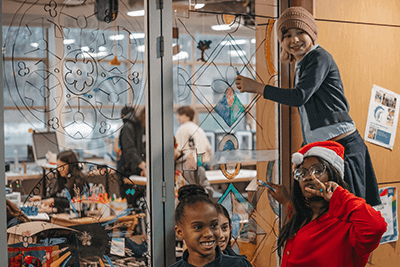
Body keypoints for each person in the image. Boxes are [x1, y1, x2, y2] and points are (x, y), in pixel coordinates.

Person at [235, 6, 381, 206]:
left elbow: (298, 97)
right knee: (326, 213)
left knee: (350, 214)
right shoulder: (302, 63)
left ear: (312, 34)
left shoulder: (319, 57)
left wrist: (257, 87)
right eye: (287, 35)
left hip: (344, 148)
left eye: (300, 32)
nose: (294, 40)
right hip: (326, 151)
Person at [266, 141, 386, 267]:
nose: (308, 177)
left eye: (317, 171)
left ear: (333, 176)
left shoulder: (347, 225)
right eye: (302, 172)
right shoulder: (303, 216)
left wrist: (338, 195)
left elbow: (377, 227)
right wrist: (286, 201)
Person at [170, 184, 252, 267]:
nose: (208, 233)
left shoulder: (239, 265)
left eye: (213, 225)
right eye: (198, 227)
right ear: (180, 232)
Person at [117, 106, 146, 206]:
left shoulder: (140, 127)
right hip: (127, 171)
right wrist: (142, 165)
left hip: (136, 170)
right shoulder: (128, 127)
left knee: (139, 202)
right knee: (130, 202)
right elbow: (129, 150)